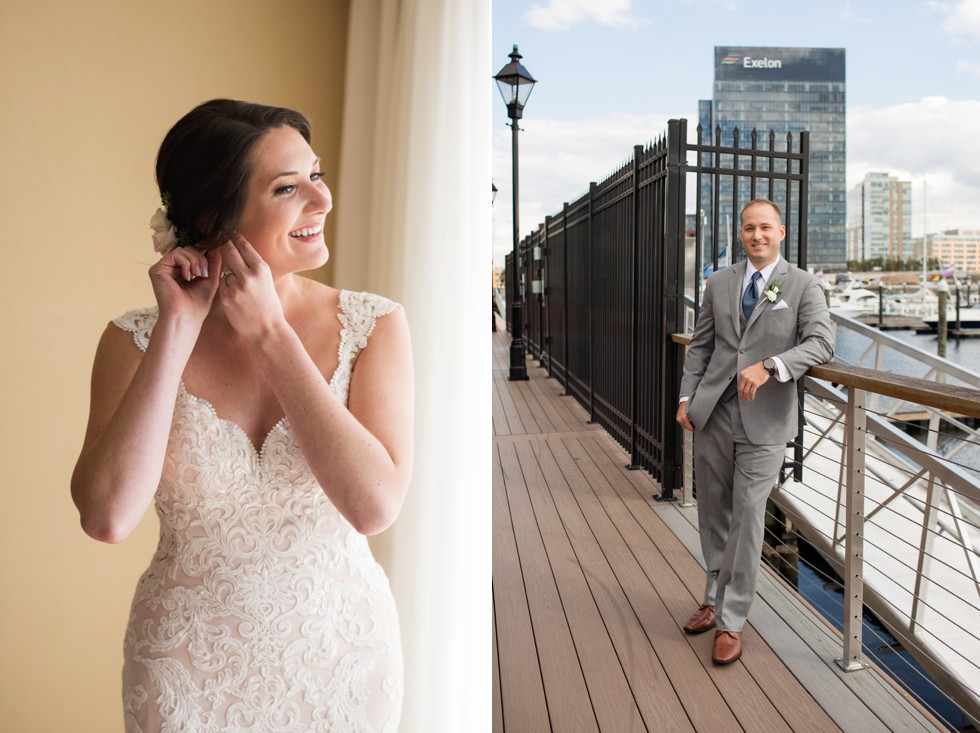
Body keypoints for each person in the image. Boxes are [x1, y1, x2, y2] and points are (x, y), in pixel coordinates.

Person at [70, 99, 413, 731]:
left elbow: (374, 507)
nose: (322, 200)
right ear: (211, 216)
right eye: (289, 187)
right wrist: (176, 328)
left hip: (341, 661)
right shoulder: (132, 339)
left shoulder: (375, 325)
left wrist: (272, 338)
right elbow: (107, 516)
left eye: (319, 174)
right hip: (186, 670)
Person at [675, 198, 833, 666]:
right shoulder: (718, 283)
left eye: (765, 227)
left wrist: (772, 365)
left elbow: (822, 343)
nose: (757, 235)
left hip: (765, 420)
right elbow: (701, 347)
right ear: (739, 234)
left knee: (747, 515)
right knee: (714, 512)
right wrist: (686, 398)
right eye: (749, 228)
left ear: (781, 232)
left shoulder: (803, 285)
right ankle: (712, 595)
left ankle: (732, 620)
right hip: (714, 414)